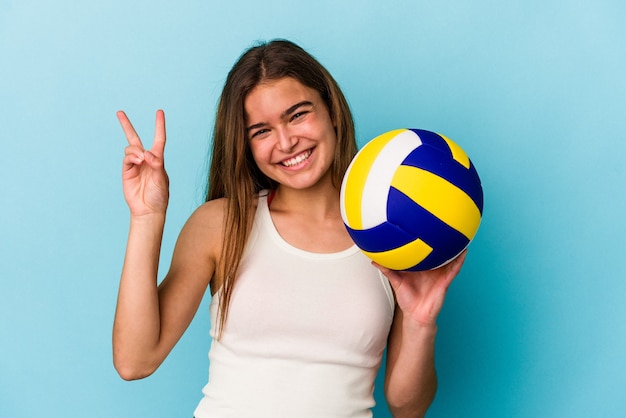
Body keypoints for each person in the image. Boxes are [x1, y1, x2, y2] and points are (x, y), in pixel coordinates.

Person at [112, 39, 466, 418]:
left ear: (331, 109)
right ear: (245, 144)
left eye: (297, 115)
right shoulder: (223, 223)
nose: (286, 142)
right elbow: (135, 362)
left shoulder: (390, 234)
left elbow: (407, 408)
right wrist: (146, 217)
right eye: (261, 131)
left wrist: (419, 321)